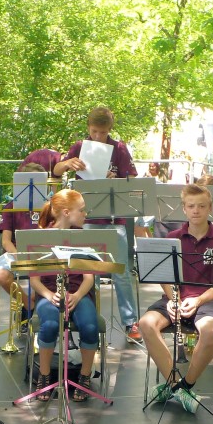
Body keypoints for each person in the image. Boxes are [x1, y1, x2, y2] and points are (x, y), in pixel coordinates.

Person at [138, 183, 213, 413]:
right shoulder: (172, 237)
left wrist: (198, 300)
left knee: (210, 332)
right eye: (191, 206)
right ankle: (176, 387)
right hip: (174, 298)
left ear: (210, 208)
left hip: (208, 300)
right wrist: (173, 299)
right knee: (145, 323)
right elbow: (164, 277)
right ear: (184, 208)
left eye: (201, 206)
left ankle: (186, 385)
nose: (196, 210)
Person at [52, 106, 141, 342]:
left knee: (121, 272)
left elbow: (132, 179)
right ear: (88, 128)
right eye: (94, 131)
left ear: (109, 129)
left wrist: (117, 179)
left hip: (114, 219)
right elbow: (56, 169)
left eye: (103, 132)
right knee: (89, 271)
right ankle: (92, 318)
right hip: (86, 219)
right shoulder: (79, 147)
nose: (98, 136)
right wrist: (68, 163)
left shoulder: (119, 148)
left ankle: (130, 321)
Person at [28, 189, 100, 402]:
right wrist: (49, 295)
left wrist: (77, 295)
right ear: (67, 212)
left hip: (78, 293)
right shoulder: (41, 237)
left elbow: (88, 278)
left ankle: (84, 377)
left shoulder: (83, 237)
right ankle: (44, 377)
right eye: (82, 210)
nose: (85, 214)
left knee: (90, 326)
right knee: (50, 325)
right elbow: (34, 280)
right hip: (49, 293)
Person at [0, 162, 47, 320]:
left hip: (44, 253)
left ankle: (36, 303)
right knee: (2, 274)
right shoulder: (11, 206)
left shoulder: (49, 206)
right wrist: (20, 255)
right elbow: (5, 241)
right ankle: (28, 305)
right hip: (16, 252)